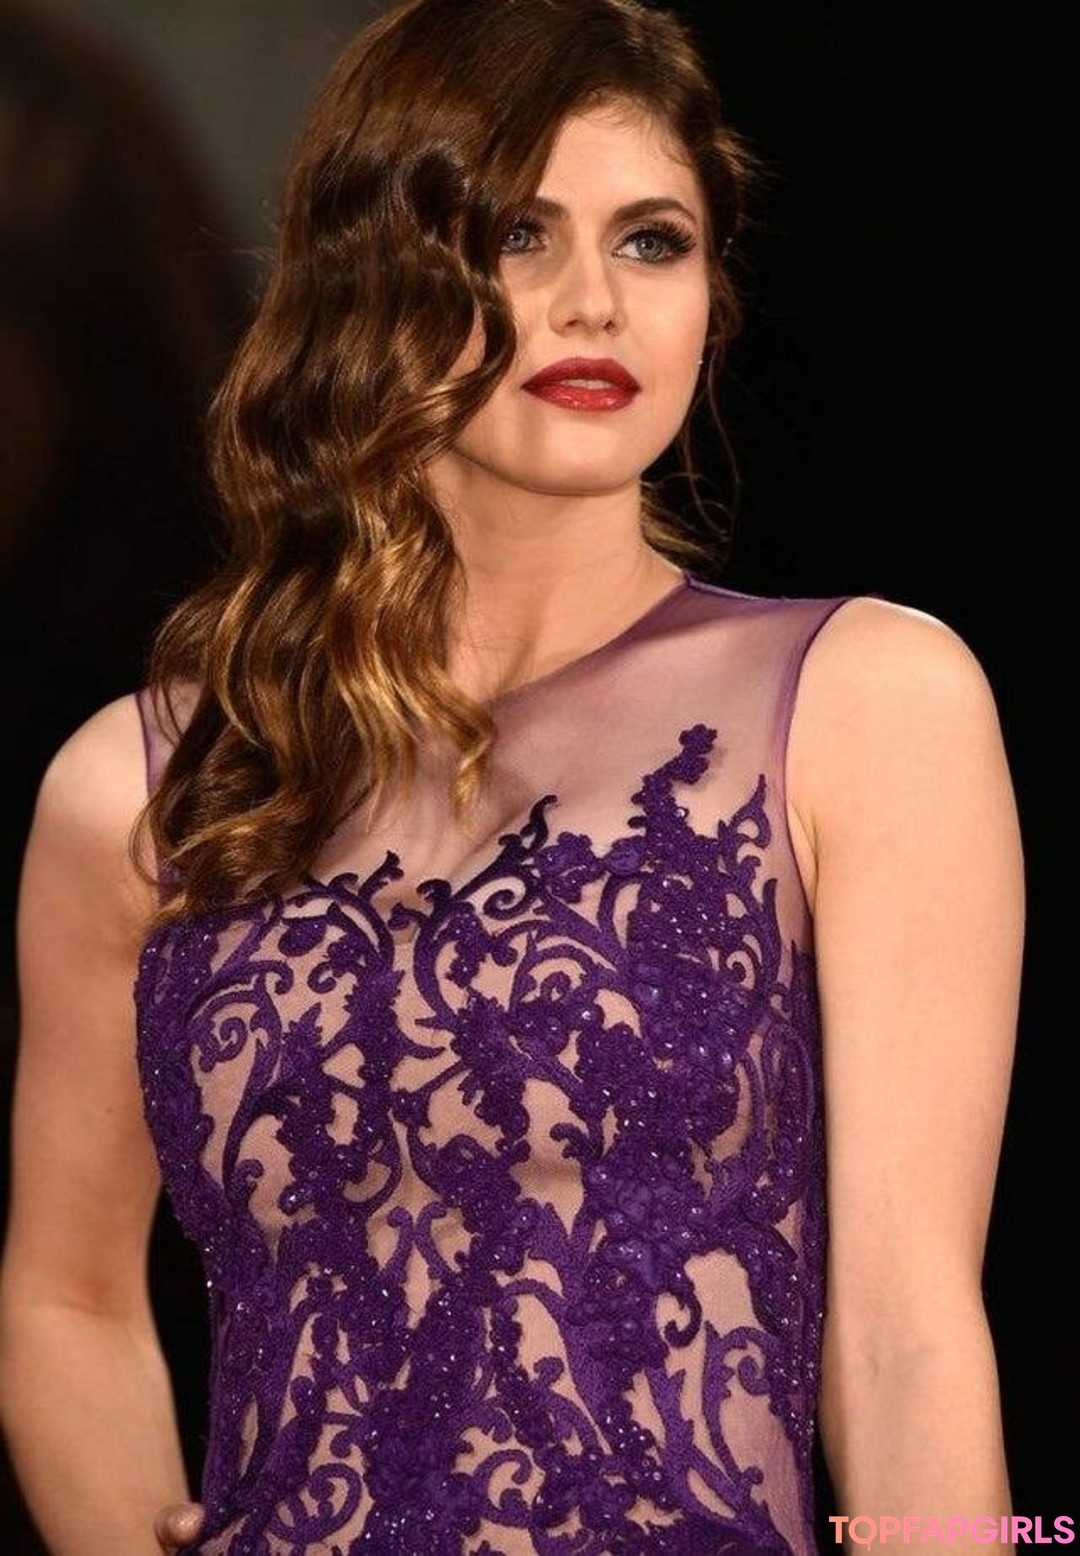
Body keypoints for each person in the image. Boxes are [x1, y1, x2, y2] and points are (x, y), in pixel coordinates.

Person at [0, 0, 1024, 1552]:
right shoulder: (146, 787)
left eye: (653, 242)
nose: (593, 302)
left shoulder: (864, 704)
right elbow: (67, 1301)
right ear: (371, 276)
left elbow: (906, 1343)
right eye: (520, 234)